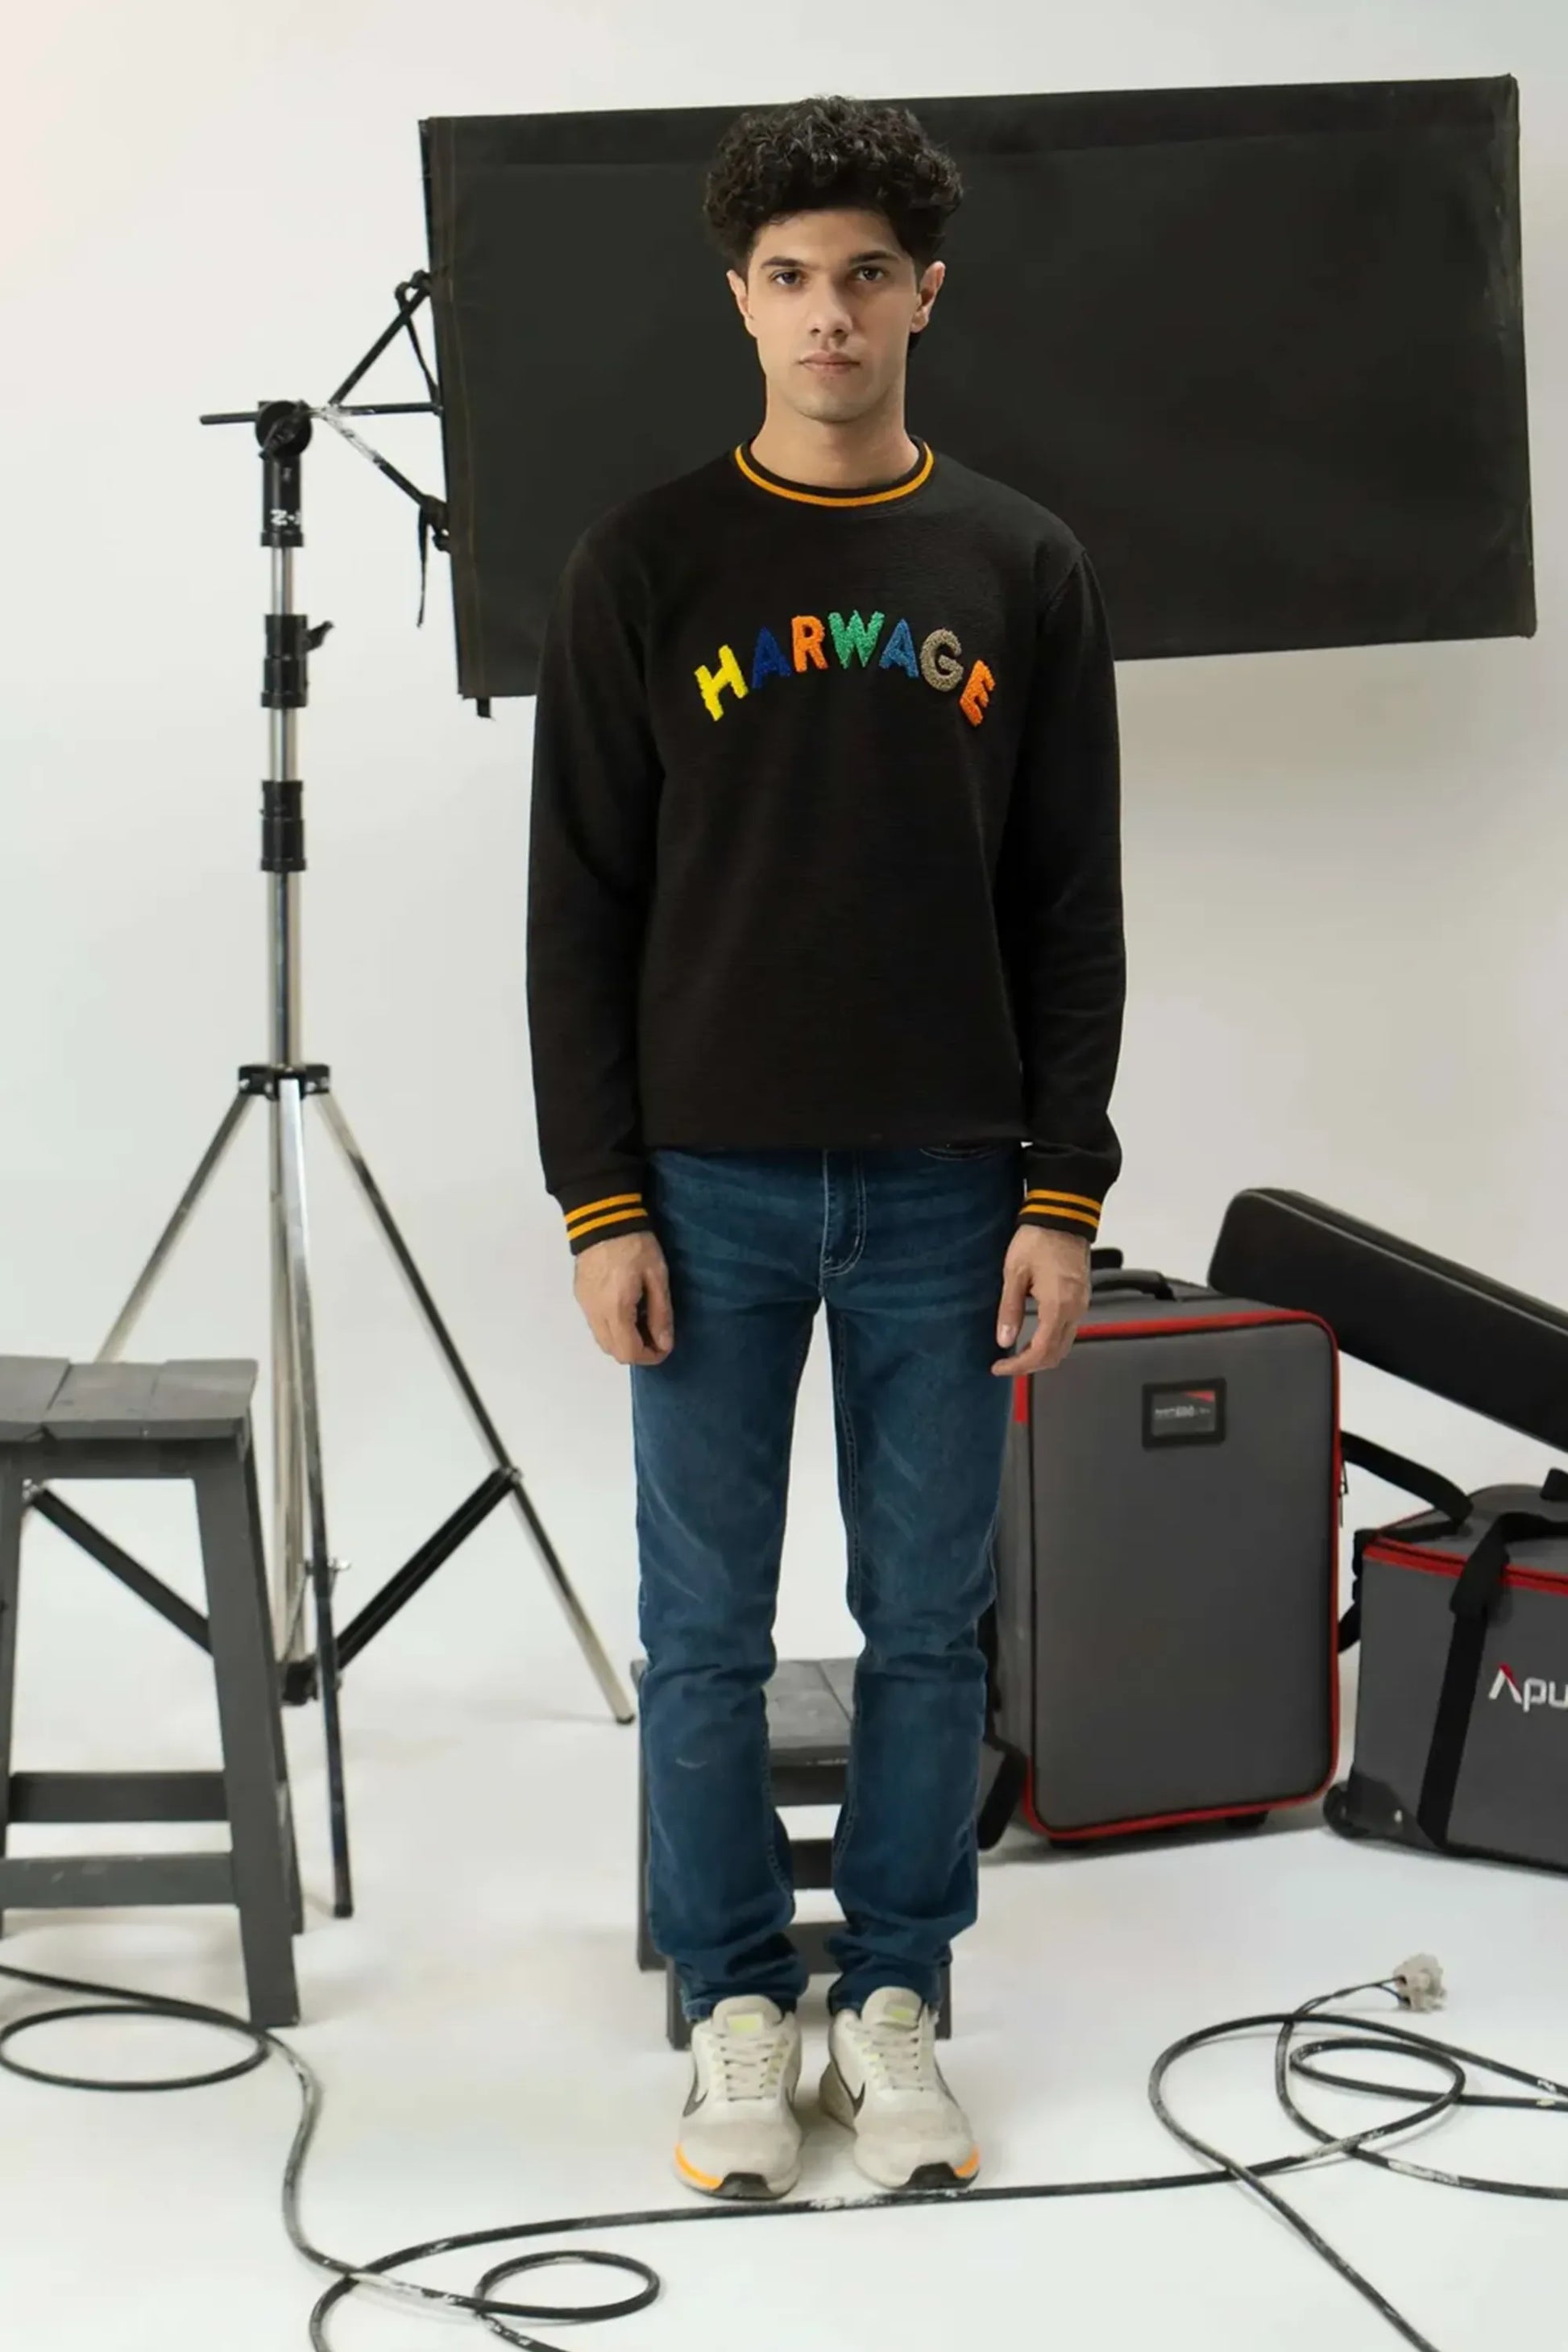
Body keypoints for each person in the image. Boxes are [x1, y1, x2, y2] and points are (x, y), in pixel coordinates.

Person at [525, 92, 1126, 2204]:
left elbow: (1070, 905)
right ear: (740, 303)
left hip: (956, 1192)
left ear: (924, 292)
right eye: (788, 277)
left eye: (866, 271)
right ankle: (727, 2006)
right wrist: (597, 1198)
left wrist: (1063, 1193)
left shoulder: (1019, 565)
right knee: (696, 1632)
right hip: (700, 1188)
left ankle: (891, 2003)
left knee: (927, 1630)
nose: (828, 311)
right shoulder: (647, 564)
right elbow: (575, 908)